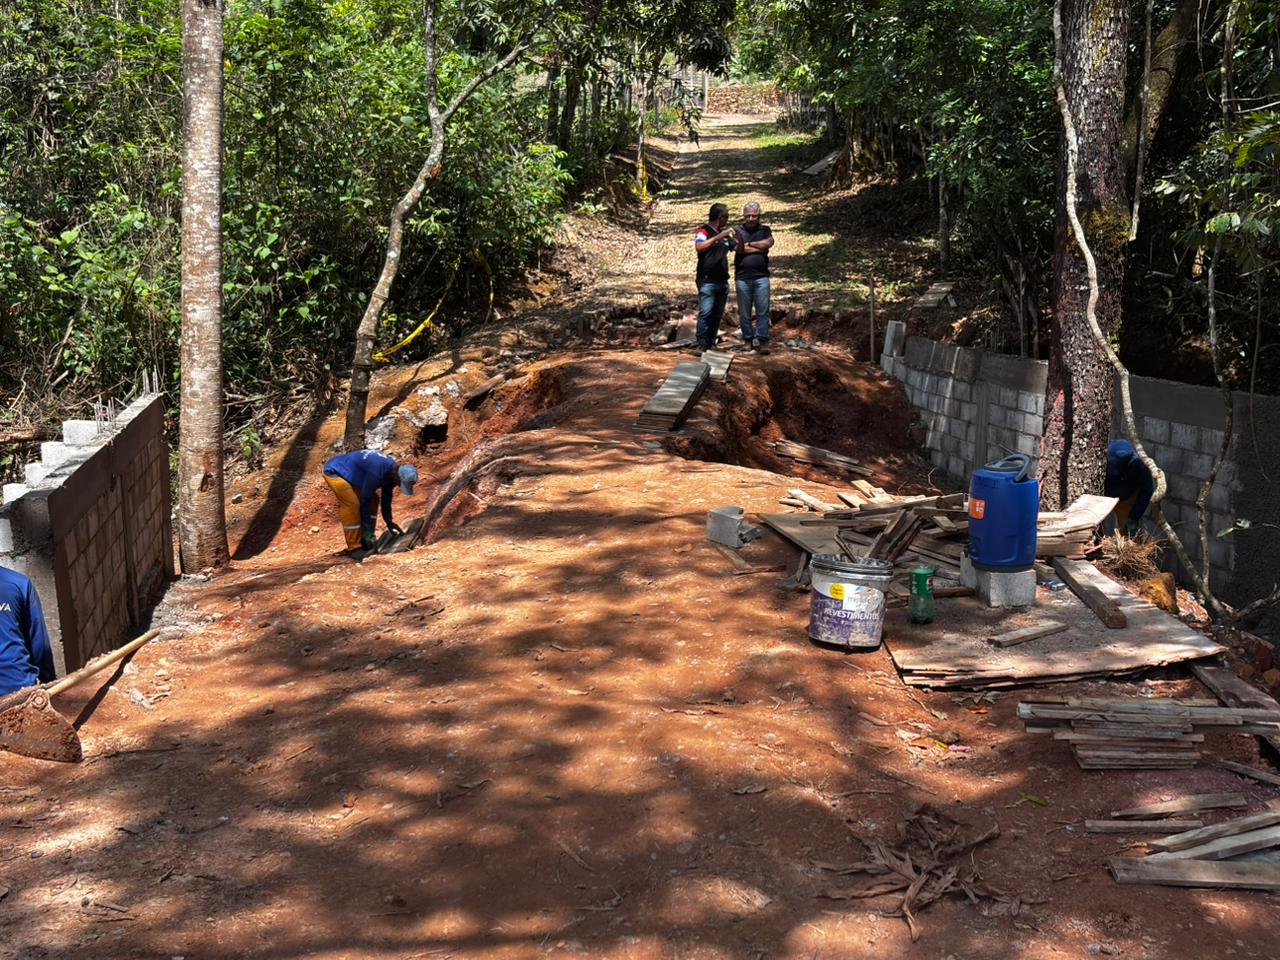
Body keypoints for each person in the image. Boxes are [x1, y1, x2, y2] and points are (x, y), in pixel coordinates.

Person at [322, 450, 418, 551]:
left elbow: (386, 498)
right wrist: (367, 530)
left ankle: (367, 538)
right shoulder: (377, 472)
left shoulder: (392, 473)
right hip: (334, 471)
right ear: (396, 475)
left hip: (351, 471)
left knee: (374, 499)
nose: (398, 485)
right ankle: (354, 547)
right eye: (400, 483)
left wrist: (389, 521)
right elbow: (365, 500)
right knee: (352, 504)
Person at [0, 565, 56, 697]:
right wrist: (49, 684)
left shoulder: (20, 584)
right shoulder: (18, 583)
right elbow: (39, 645)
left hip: (17, 689)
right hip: (18, 686)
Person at [693, 203, 737, 352]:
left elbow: (737, 247)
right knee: (706, 312)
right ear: (720, 217)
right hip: (707, 279)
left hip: (722, 280)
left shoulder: (725, 235)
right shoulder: (703, 231)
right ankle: (701, 343)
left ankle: (711, 342)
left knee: (717, 314)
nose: (727, 220)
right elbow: (699, 246)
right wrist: (718, 237)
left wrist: (740, 236)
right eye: (726, 217)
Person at [733, 201, 775, 353]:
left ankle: (763, 341)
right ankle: (747, 340)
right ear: (744, 216)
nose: (751, 218)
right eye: (748, 216)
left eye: (754, 216)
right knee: (744, 312)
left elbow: (768, 243)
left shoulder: (765, 230)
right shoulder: (738, 231)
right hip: (742, 277)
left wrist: (749, 244)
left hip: (761, 277)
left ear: (759, 216)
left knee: (762, 311)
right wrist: (758, 247)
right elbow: (738, 249)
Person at [1105, 439, 1155, 536]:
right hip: (1104, 494)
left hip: (1127, 498)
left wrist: (1133, 518)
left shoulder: (1137, 464)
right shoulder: (1104, 455)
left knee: (1127, 533)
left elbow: (1147, 490)